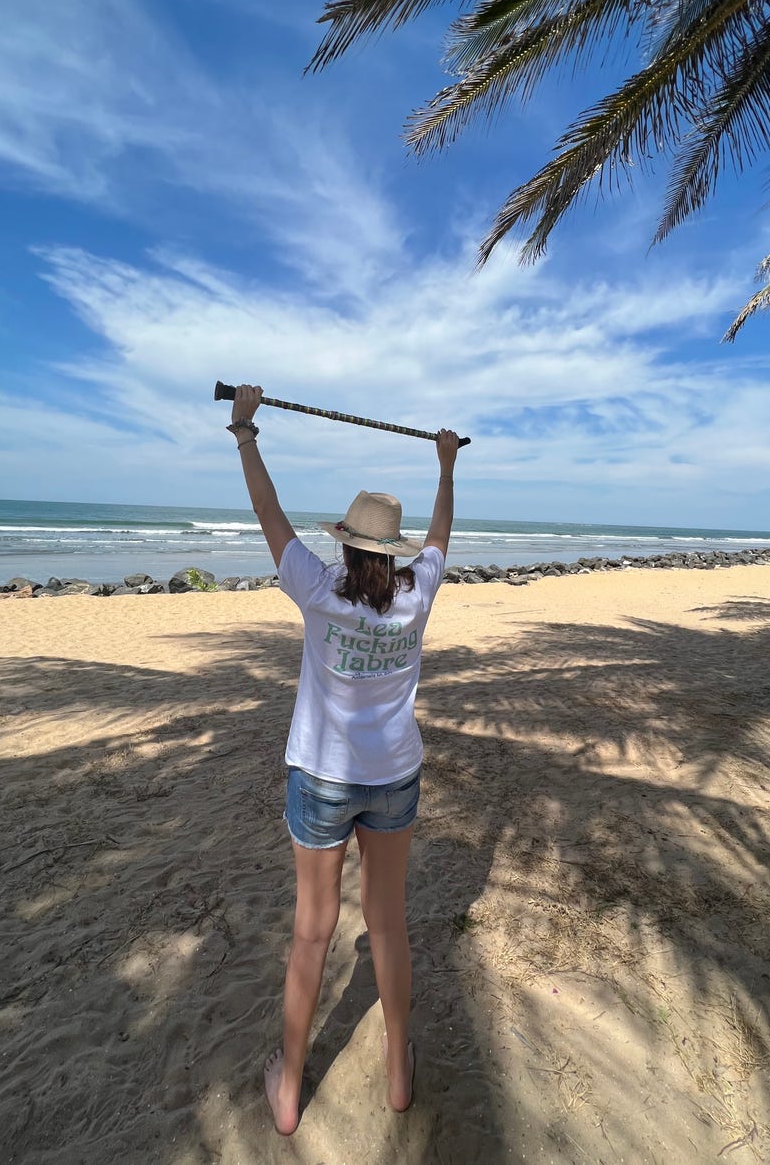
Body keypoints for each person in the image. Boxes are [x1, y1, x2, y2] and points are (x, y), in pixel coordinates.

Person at [226, 384, 461, 1135]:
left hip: (321, 777)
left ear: (346, 545)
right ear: (388, 551)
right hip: (393, 775)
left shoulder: (318, 588)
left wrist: (244, 431)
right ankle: (397, 1077)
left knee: (312, 931)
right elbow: (441, 536)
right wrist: (446, 466)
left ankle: (289, 1091)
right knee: (386, 925)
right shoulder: (415, 596)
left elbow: (269, 513)